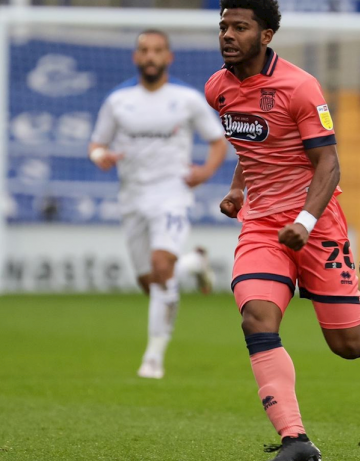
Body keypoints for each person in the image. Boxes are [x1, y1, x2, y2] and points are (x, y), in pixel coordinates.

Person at [204, 1, 360, 459]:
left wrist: (305, 222)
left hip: (316, 226)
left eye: (239, 27)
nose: (227, 35)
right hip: (262, 228)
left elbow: (328, 163)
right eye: (223, 26)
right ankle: (295, 441)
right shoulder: (218, 88)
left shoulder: (299, 86)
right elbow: (253, 146)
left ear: (266, 35)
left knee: (349, 346)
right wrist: (237, 189)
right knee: (256, 316)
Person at [89, 29, 228, 379]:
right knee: (150, 282)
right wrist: (101, 155)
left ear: (169, 57)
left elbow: (217, 141)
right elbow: (96, 144)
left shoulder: (186, 99)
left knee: (161, 267)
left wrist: (206, 171)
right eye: (144, 50)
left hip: (172, 194)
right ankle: (195, 263)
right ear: (136, 58)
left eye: (157, 51)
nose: (150, 56)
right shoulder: (118, 101)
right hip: (132, 197)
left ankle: (153, 357)